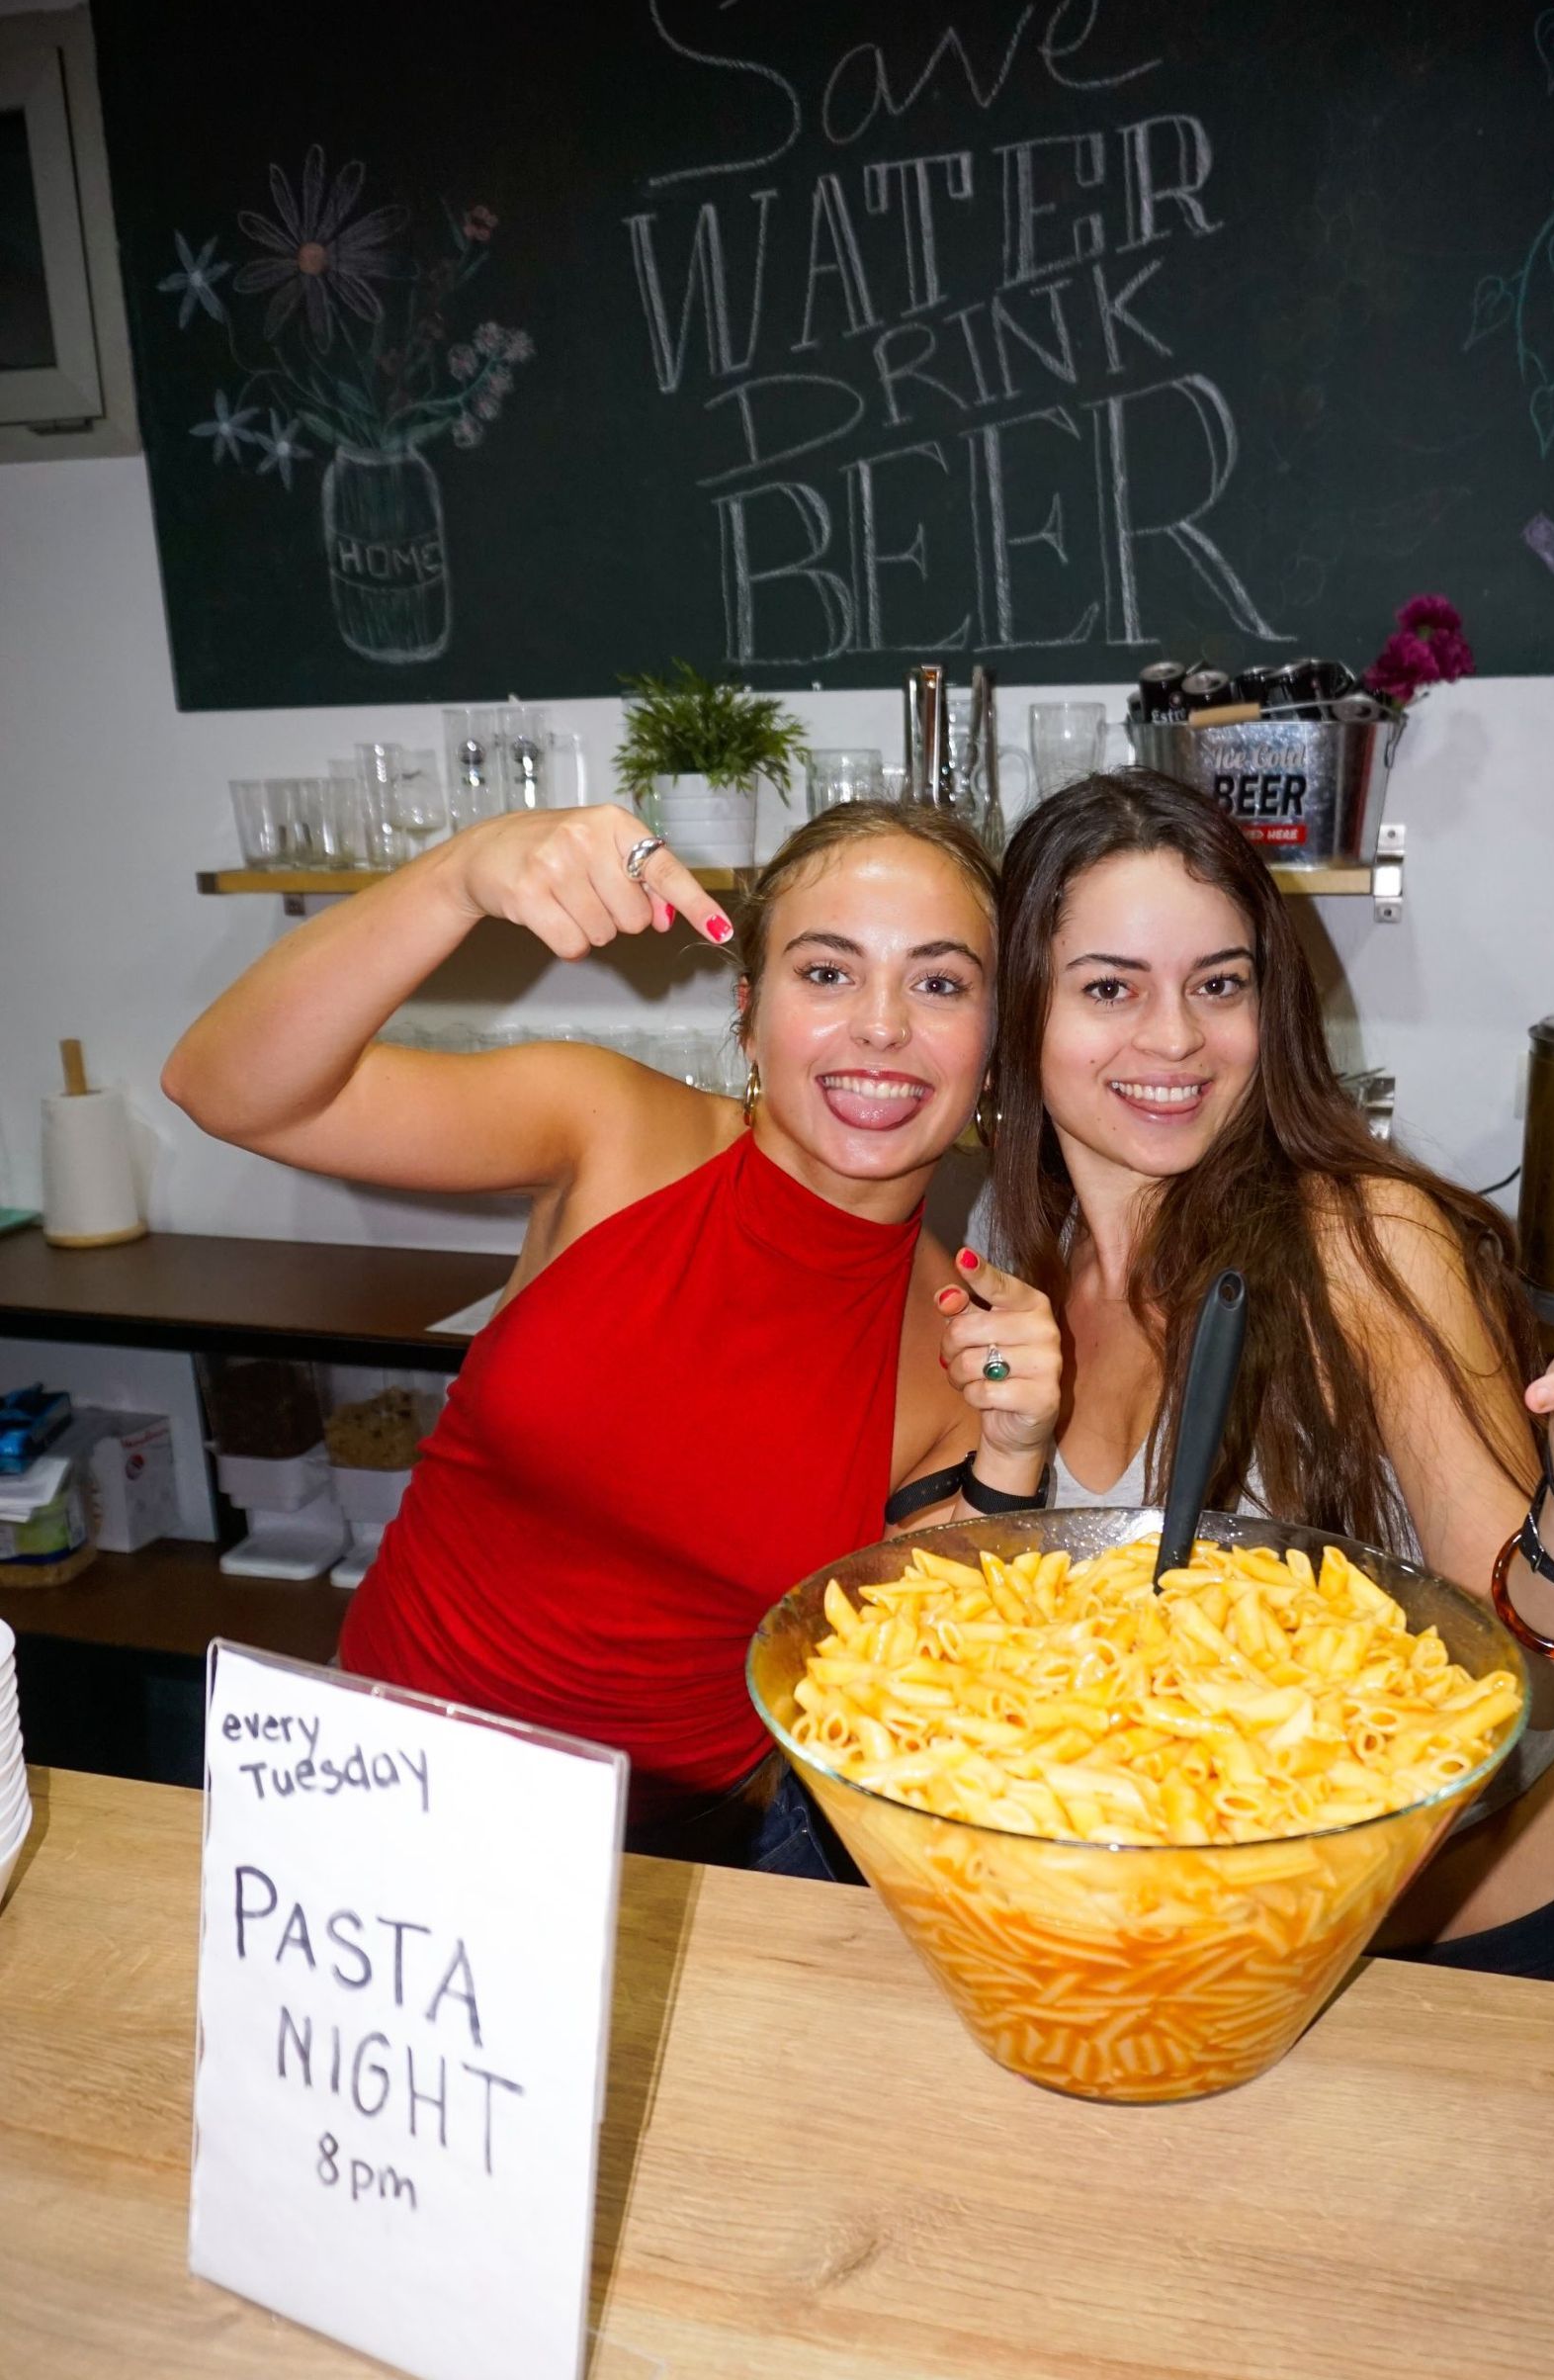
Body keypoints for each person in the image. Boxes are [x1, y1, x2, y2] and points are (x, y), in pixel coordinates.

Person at [162, 798, 1061, 1871]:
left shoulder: (960, 1350)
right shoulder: (607, 1126)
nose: (880, 1025)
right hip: (367, 1802)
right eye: (826, 973)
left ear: (996, 1046)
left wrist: (1014, 1456)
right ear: (747, 1013)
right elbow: (223, 1087)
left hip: (662, 1884)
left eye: (940, 982)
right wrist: (460, 874)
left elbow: (902, 1692)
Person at [985, 769, 1554, 1994]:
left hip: (1508, 1965)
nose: (1173, 1039)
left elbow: (1547, 1681)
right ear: (1024, 1016)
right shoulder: (1031, 1275)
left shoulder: (1359, 1239)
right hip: (1240, 1972)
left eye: (1219, 986)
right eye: (1111, 988)